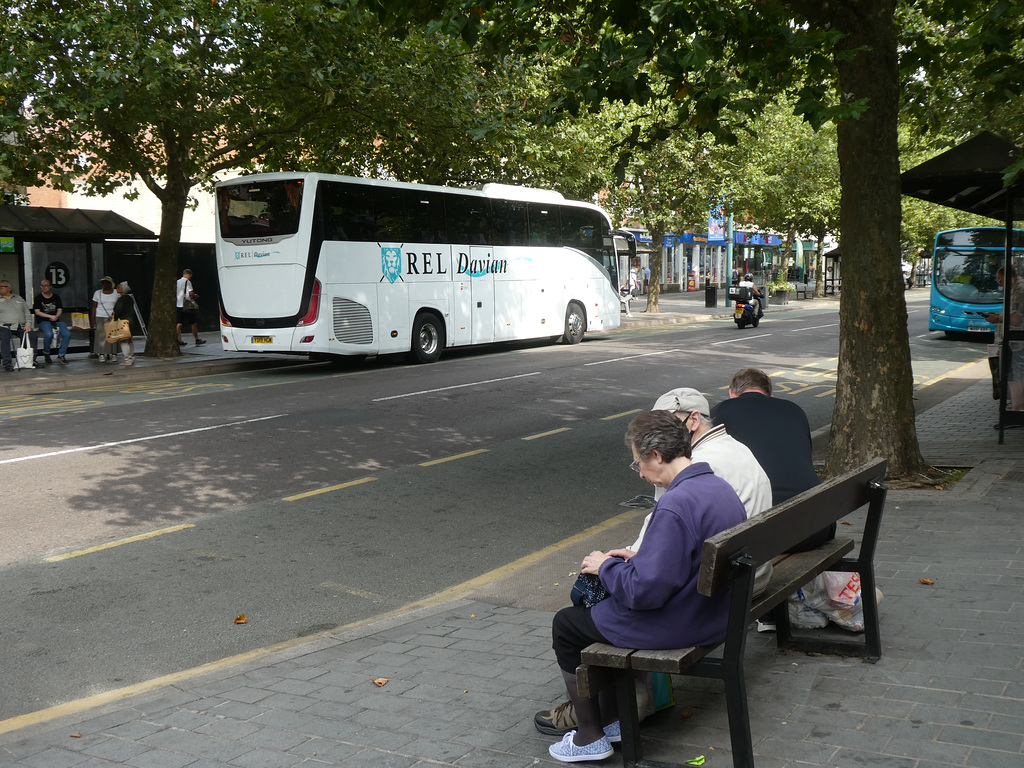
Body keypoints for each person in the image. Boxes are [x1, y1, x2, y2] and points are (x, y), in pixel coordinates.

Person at [536, 388, 774, 742]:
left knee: (568, 624)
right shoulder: (717, 487)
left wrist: (605, 567)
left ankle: (588, 735)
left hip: (685, 622)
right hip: (717, 612)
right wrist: (639, 558)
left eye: (639, 463)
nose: (641, 474)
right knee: (592, 610)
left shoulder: (676, 502)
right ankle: (617, 715)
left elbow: (645, 592)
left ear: (657, 455)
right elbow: (685, 558)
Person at [711, 367, 830, 551]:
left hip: (761, 534)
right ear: (770, 395)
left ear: (731, 393)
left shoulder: (721, 412)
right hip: (816, 527)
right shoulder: (794, 411)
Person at [984, 265, 1024, 417]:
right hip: (1015, 342)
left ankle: (1016, 411)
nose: (1000, 284)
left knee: (1014, 377)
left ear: (1010, 278)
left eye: (1001, 280)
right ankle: (1016, 409)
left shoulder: (1017, 291)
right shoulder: (1018, 287)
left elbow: (1015, 317)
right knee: (1016, 376)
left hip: (1016, 343)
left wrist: (997, 319)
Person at [0, 280, 38, 371]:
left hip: (21, 326)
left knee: (32, 336)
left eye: (2, 286)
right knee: (4, 339)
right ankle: (7, 363)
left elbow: (27, 312)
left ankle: (30, 360)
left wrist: (28, 324)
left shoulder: (19, 298)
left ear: (9, 288)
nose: (0, 288)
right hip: (4, 326)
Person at [32, 278, 70, 365]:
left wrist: (56, 316)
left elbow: (60, 309)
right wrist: (50, 316)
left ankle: (61, 354)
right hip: (44, 321)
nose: (43, 288)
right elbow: (37, 312)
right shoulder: (38, 298)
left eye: (46, 286)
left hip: (56, 320)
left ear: (50, 287)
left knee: (67, 334)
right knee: (49, 334)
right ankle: (46, 353)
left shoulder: (56, 297)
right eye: (42, 286)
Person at [90, 275, 119, 362]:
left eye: (106, 283)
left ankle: (114, 353)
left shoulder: (116, 293)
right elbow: (94, 307)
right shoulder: (97, 293)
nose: (104, 285)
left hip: (113, 316)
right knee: (100, 336)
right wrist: (92, 320)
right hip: (100, 316)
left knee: (113, 335)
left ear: (110, 284)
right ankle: (101, 354)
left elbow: (119, 305)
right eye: (103, 283)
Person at [176, 268, 206, 346]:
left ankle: (178, 340)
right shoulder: (187, 282)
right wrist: (195, 296)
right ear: (188, 274)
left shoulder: (177, 282)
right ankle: (197, 339)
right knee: (193, 323)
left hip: (179, 304)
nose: (191, 276)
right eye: (190, 275)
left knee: (179, 323)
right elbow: (191, 293)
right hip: (187, 306)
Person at [112, 281, 137, 366]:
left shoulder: (121, 299)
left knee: (124, 341)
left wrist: (115, 318)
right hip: (131, 321)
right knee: (129, 340)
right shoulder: (129, 298)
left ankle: (127, 359)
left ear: (123, 290)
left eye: (118, 287)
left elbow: (118, 310)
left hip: (123, 322)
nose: (117, 288)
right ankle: (131, 357)